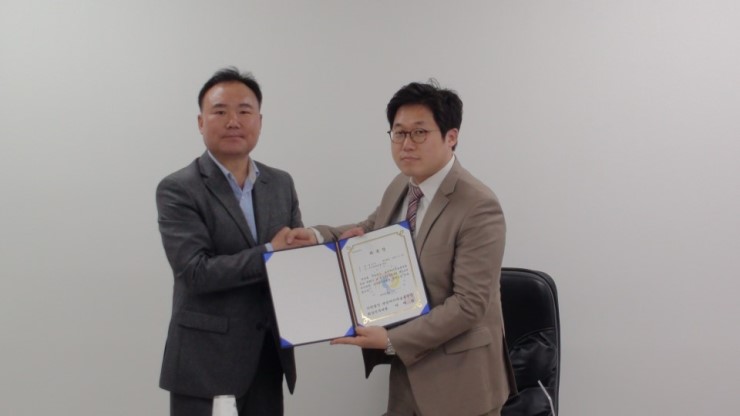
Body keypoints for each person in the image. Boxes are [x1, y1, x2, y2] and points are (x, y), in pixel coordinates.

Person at [287, 80, 517, 416]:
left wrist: (392, 340)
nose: (406, 144)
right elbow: (371, 229)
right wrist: (317, 237)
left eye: (419, 133)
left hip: (461, 384)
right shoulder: (403, 184)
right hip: (407, 377)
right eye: (399, 133)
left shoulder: (479, 205)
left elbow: (469, 305)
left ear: (451, 136)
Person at [155, 67, 313, 416]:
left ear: (260, 120)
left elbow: (295, 262)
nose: (233, 122)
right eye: (220, 111)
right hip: (205, 362)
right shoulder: (178, 188)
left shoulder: (280, 183)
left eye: (244, 111)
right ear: (200, 122)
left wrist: (335, 249)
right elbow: (196, 272)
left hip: (268, 356)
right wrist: (270, 252)